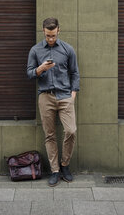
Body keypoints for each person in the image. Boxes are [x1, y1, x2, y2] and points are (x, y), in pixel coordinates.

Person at [27, 17, 80, 186]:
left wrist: (73, 94)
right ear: (43, 31)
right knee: (49, 135)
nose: (51, 39)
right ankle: (55, 170)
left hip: (65, 96)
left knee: (71, 131)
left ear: (59, 30)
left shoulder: (67, 49)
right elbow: (29, 73)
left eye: (53, 35)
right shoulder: (35, 50)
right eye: (48, 35)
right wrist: (40, 68)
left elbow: (74, 72)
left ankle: (65, 165)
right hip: (45, 96)